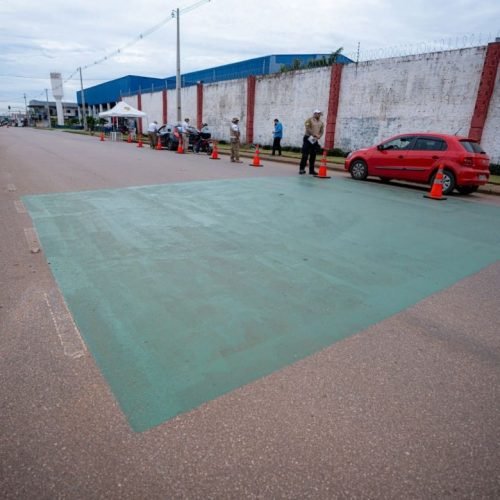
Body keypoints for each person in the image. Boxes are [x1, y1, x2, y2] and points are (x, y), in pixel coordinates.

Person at [299, 109, 324, 175]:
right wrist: (314, 134)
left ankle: (311, 170)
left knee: (313, 155)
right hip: (308, 138)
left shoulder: (321, 122)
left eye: (319, 114)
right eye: (317, 113)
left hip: (314, 139)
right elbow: (307, 128)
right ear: (314, 114)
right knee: (305, 155)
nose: (318, 115)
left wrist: (319, 136)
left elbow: (322, 131)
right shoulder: (309, 120)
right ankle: (302, 169)